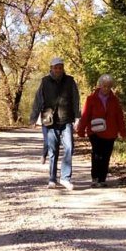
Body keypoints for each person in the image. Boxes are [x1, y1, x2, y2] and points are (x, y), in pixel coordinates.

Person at [29, 57, 80, 190]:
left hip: (66, 119)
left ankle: (65, 178)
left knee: (69, 148)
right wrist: (33, 118)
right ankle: (52, 179)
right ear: (51, 68)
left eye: (60, 67)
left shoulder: (70, 81)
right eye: (56, 67)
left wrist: (77, 118)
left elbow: (76, 99)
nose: (58, 70)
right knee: (53, 151)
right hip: (50, 120)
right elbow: (38, 100)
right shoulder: (45, 81)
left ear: (63, 68)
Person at [77, 74, 126, 187]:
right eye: (104, 86)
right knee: (97, 153)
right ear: (100, 86)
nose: (106, 89)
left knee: (106, 155)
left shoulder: (114, 100)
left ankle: (102, 179)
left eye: (109, 86)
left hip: (110, 131)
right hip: (95, 131)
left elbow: (119, 116)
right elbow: (85, 115)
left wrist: (122, 131)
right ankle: (95, 178)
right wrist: (81, 129)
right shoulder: (91, 99)